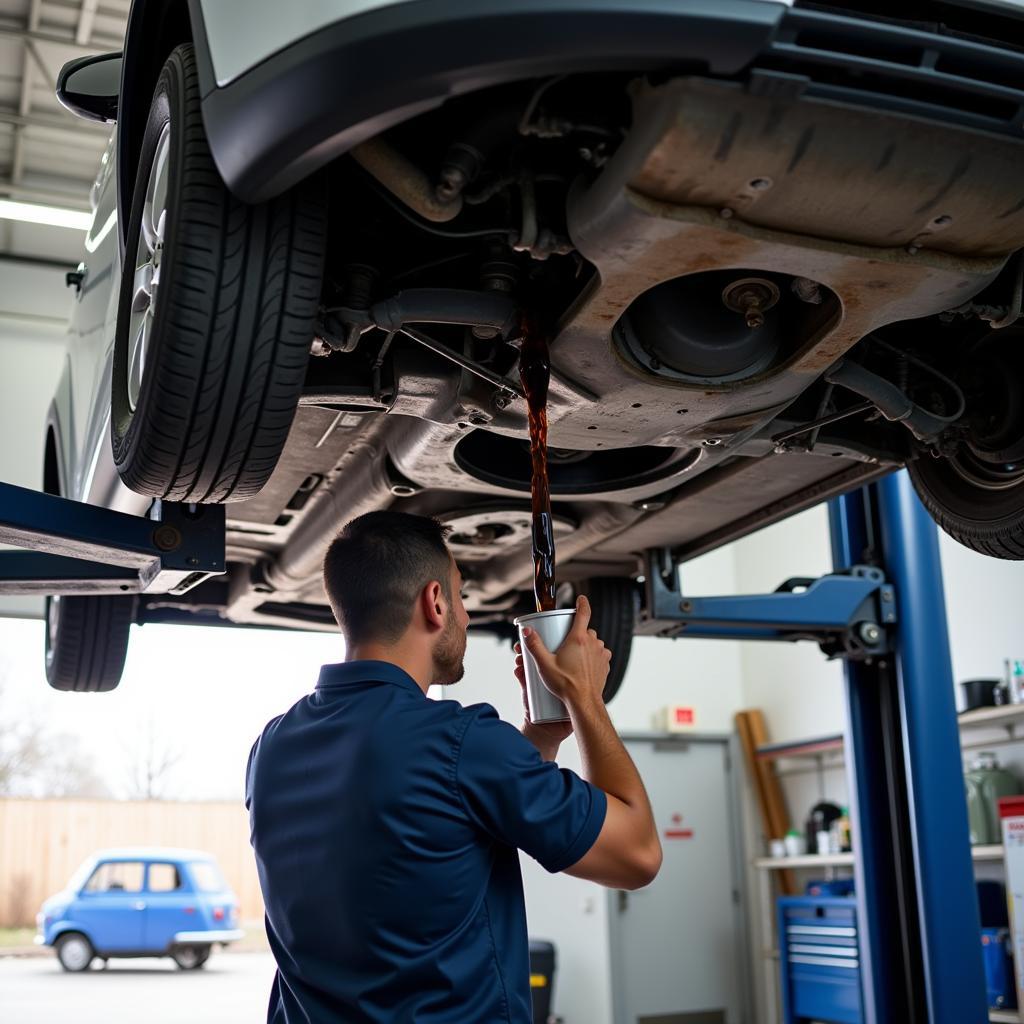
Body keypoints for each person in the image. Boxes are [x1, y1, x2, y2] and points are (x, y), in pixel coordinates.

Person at [246, 510, 661, 1023]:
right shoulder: (461, 742)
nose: (465, 615)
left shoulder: (272, 746)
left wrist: (539, 738)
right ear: (435, 602)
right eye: (461, 596)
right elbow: (637, 855)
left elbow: (431, 831)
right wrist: (586, 698)